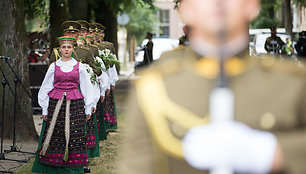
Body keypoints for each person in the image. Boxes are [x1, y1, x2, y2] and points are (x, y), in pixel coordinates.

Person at [118, 0, 306, 173]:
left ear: (252, 5)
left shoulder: (295, 84)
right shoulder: (154, 88)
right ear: (186, 9)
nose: (218, 2)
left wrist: (274, 153)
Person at [32, 36, 94, 174]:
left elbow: (86, 87)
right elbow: (46, 87)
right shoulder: (54, 66)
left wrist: (88, 107)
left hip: (75, 104)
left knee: (74, 133)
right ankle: (54, 165)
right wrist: (44, 108)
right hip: (56, 104)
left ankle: (74, 165)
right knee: (56, 133)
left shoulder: (80, 67)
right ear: (60, 49)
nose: (66, 50)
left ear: (73, 49)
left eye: (69, 47)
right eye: (64, 47)